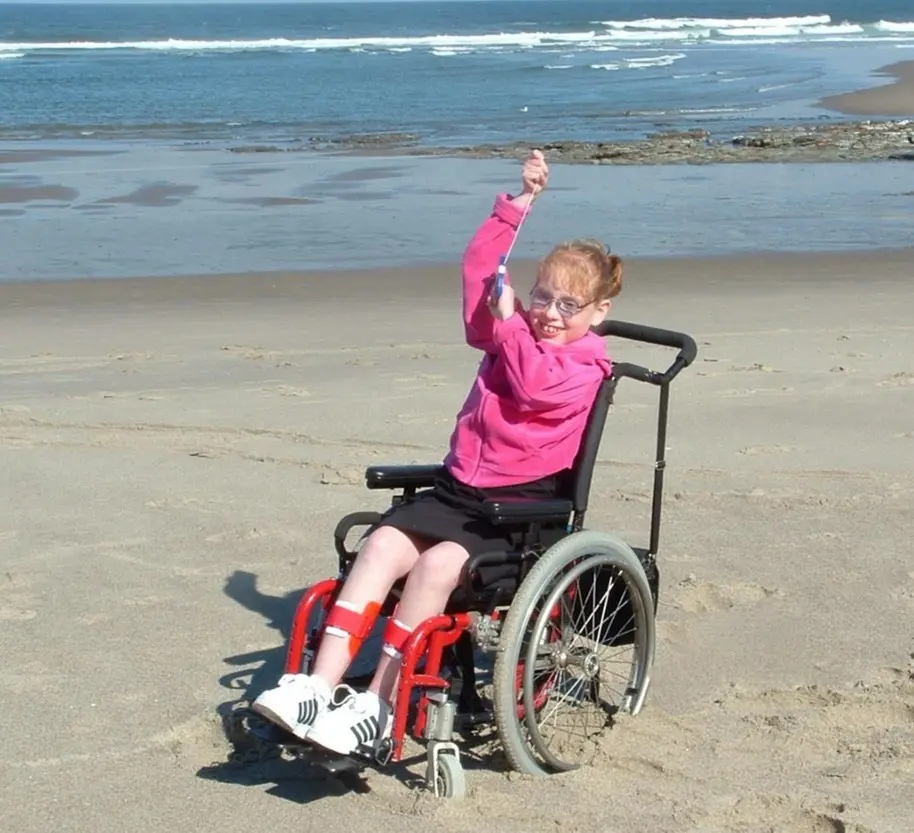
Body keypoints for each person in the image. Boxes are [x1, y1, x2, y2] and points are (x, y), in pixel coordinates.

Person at [252, 149, 623, 757]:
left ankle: (378, 702)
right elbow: (481, 272)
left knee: (432, 569)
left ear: (598, 312)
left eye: (567, 305)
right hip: (457, 492)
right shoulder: (516, 331)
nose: (549, 314)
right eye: (542, 297)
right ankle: (316, 688)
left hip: (518, 515)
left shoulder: (586, 365)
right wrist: (518, 205)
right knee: (379, 546)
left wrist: (510, 324)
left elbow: (532, 384)